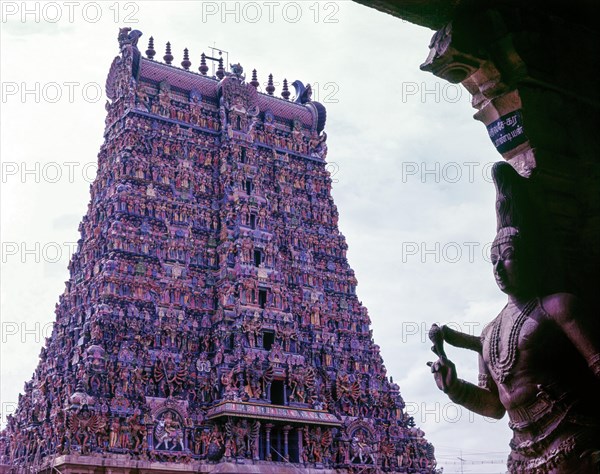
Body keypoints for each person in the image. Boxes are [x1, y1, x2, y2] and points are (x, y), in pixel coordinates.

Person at [428, 162, 600, 473]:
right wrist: (454, 388)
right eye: (493, 260)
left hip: (570, 439)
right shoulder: (490, 333)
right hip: (521, 453)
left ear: (530, 257)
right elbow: (494, 406)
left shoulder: (556, 307)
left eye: (508, 257)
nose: (498, 268)